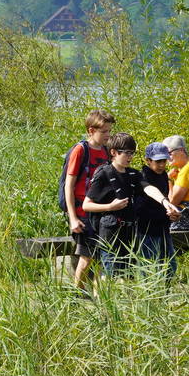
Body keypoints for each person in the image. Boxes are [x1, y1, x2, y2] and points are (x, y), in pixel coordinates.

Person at [63, 109, 114, 289]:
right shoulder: (80, 150)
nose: (108, 135)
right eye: (104, 131)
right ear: (91, 131)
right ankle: (77, 294)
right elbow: (68, 185)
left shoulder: (108, 151)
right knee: (87, 256)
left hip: (101, 210)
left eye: (109, 131)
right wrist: (73, 218)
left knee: (102, 255)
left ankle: (99, 295)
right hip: (81, 212)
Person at [82, 132, 143, 279]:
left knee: (129, 275)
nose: (130, 157)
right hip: (110, 231)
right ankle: (104, 301)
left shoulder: (133, 174)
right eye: (127, 153)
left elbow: (147, 188)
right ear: (113, 152)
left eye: (132, 153)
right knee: (110, 274)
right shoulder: (104, 174)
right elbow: (86, 205)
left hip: (129, 231)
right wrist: (110, 207)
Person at [137, 141, 181, 281]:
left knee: (170, 266)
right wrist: (164, 214)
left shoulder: (163, 176)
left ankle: (165, 296)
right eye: (158, 161)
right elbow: (140, 209)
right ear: (148, 160)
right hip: (147, 231)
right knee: (149, 270)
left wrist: (171, 215)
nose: (162, 165)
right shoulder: (143, 177)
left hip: (163, 228)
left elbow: (165, 201)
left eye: (164, 161)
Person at [164, 135, 189, 233]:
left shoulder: (187, 169)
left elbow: (172, 202)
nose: (167, 157)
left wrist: (168, 180)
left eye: (169, 153)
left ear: (182, 150)